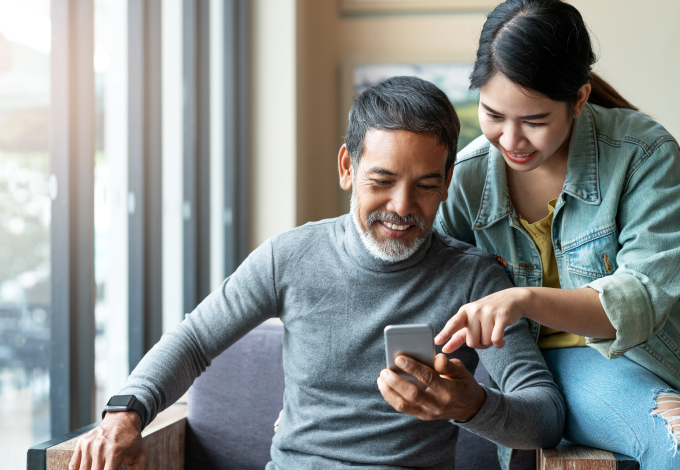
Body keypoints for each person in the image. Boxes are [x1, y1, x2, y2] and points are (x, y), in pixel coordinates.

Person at [68, 76, 564, 470]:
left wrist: (469, 405)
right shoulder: (292, 255)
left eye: (426, 186)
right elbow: (195, 339)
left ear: (448, 183)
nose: (402, 206)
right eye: (382, 180)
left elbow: (543, 417)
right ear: (348, 167)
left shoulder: (475, 281)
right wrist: (125, 413)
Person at [432, 1, 680, 469]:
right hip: (525, 372)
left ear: (580, 99)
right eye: (492, 115)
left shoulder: (644, 153)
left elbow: (641, 300)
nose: (510, 140)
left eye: (534, 121)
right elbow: (418, 285)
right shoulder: (466, 178)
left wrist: (523, 300)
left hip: (632, 357)